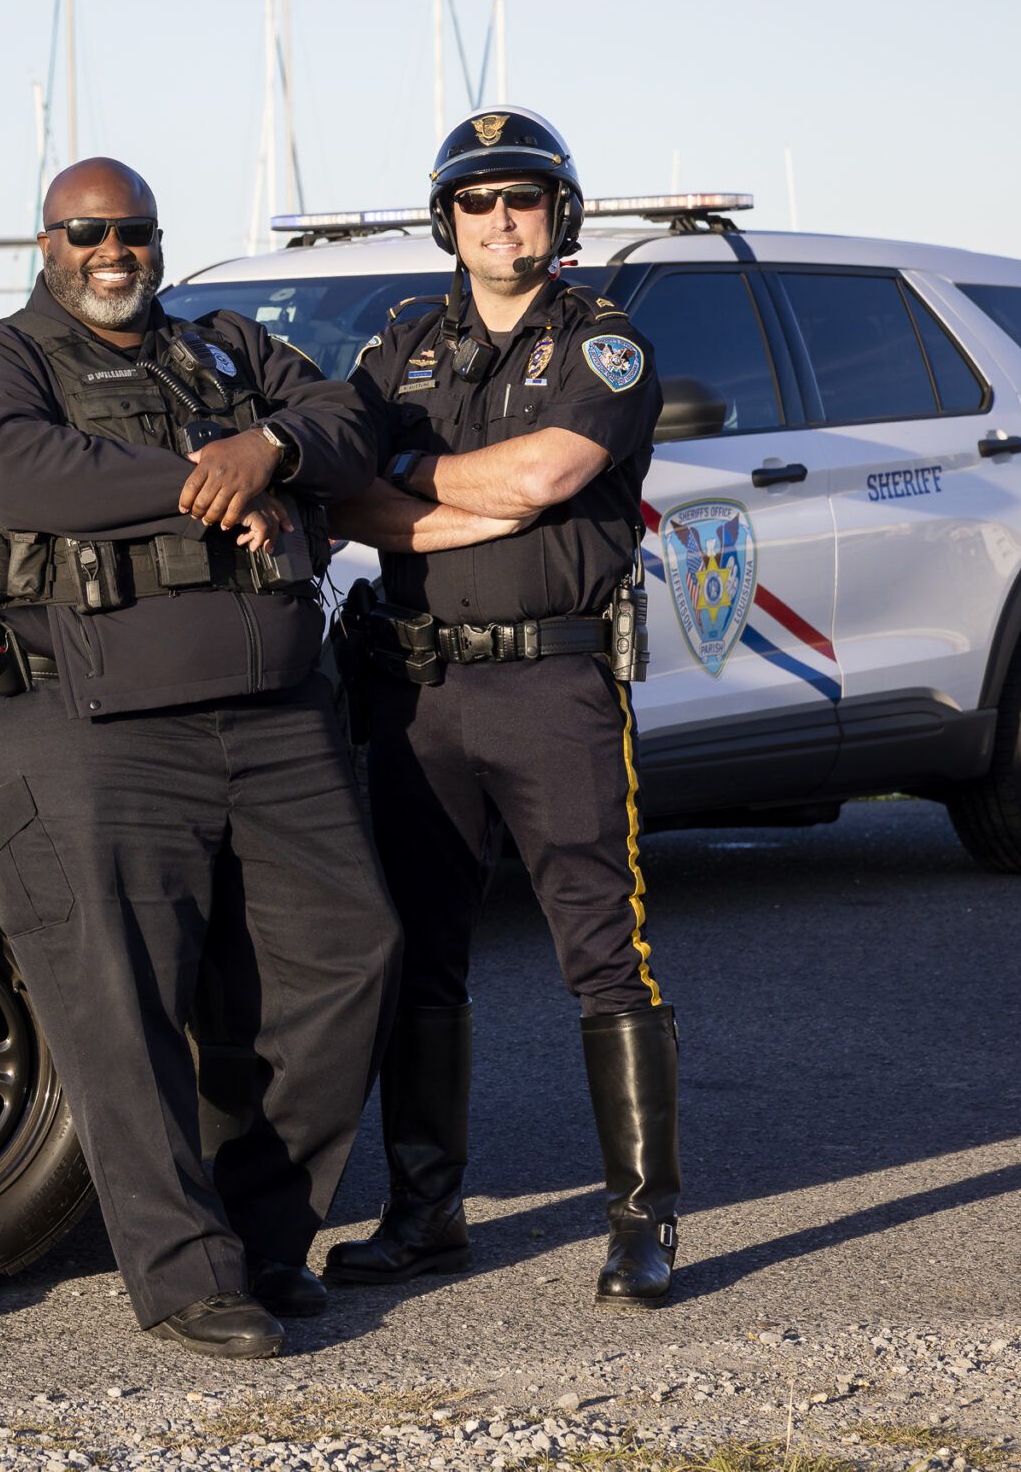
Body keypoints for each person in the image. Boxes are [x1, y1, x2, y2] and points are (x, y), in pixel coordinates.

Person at [0, 158, 398, 1360]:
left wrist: (270, 448)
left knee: (350, 951)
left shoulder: (226, 348)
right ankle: (184, 1276)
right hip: (89, 722)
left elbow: (353, 418)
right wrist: (207, 476)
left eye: (132, 230)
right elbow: (11, 471)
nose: (112, 249)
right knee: (120, 1005)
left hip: (276, 714)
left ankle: (259, 1235)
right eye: (87, 232)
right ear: (46, 242)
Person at [323, 107, 680, 1309]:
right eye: (475, 201)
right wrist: (457, 500)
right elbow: (340, 494)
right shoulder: (402, 345)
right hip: (420, 688)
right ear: (448, 221)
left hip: (553, 684)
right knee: (419, 955)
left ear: (558, 212)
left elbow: (546, 476)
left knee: (601, 951)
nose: (498, 219)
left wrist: (413, 483)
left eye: (520, 197)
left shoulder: (606, 342)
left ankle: (643, 1220)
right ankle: (425, 1214)